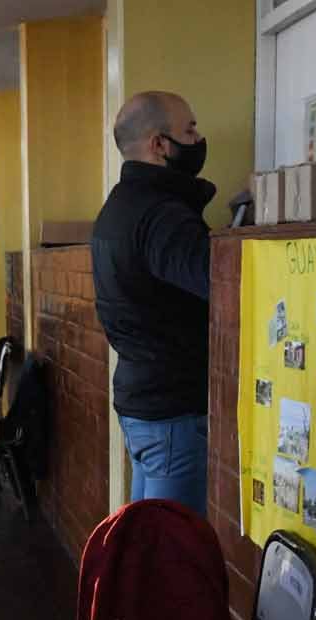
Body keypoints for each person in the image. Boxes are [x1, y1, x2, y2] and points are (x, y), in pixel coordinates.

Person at [92, 90, 215, 514]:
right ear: (160, 144)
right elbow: (218, 283)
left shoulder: (118, 207)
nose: (198, 139)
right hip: (173, 410)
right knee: (172, 551)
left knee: (147, 539)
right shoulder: (163, 216)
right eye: (190, 129)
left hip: (145, 401)